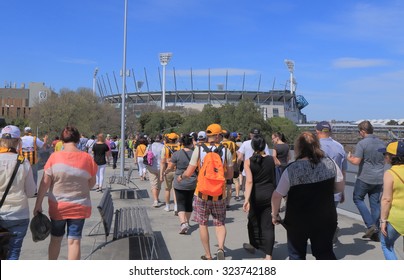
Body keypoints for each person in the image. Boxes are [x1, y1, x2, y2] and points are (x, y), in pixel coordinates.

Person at [271, 131, 344, 260]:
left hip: (298, 221)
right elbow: (339, 188)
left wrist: (275, 214)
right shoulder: (330, 163)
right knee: (325, 253)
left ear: (298, 147)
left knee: (297, 255)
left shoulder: (292, 169)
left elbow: (277, 195)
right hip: (325, 218)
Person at [33, 126, 97, 260]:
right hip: (80, 206)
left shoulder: (54, 157)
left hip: (58, 207)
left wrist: (38, 204)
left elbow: (45, 183)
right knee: (74, 241)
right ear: (78, 139)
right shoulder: (87, 158)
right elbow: (91, 183)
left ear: (62, 139)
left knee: (56, 239)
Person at [179, 123, 233, 260]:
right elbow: (230, 175)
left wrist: (181, 176)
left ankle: (208, 255)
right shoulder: (226, 151)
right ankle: (221, 247)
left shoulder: (198, 150)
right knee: (220, 223)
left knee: (203, 224)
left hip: (202, 192)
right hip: (219, 194)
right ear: (218, 135)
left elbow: (190, 171)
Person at [0, 125, 36, 260]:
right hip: (18, 214)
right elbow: (31, 192)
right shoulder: (23, 162)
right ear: (18, 142)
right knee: (14, 252)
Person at [347, 120, 385, 241]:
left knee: (357, 199)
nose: (359, 134)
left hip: (365, 177)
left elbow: (356, 161)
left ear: (363, 131)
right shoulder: (382, 143)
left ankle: (370, 225)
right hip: (379, 178)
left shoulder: (362, 143)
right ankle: (376, 233)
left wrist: (349, 158)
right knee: (375, 204)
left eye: (359, 132)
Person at [242, 134, 276, 260]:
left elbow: (249, 182)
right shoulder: (272, 159)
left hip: (256, 195)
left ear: (252, 146)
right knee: (268, 225)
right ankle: (268, 255)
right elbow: (279, 164)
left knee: (253, 221)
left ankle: (255, 245)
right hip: (270, 195)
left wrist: (246, 200)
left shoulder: (248, 161)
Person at [315, 121, 347, 243]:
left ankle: (325, 237)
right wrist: (342, 190)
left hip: (318, 189)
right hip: (335, 188)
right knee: (331, 213)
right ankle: (331, 231)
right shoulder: (339, 146)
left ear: (317, 132)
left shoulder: (314, 147)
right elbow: (343, 171)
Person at [165, 133, 197, 234]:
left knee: (180, 202)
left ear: (182, 143)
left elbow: (170, 167)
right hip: (192, 181)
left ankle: (183, 223)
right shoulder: (195, 154)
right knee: (188, 202)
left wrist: (165, 172)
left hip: (180, 181)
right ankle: (186, 222)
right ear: (191, 143)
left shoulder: (177, 154)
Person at [378, 140, 404, 260]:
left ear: (393, 157)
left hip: (397, 219)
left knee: (386, 244)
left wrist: (383, 221)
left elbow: (386, 199)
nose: (385, 157)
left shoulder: (390, 173)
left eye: (386, 154)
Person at [237, 128, 278, 199]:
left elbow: (240, 157)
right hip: (260, 168)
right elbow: (267, 156)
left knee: (245, 187)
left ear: (250, 135)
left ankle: (248, 200)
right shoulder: (264, 144)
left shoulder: (245, 143)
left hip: (248, 168)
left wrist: (238, 166)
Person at [160, 133, 181, 213]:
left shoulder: (165, 148)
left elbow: (162, 162)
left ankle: (167, 206)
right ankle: (176, 206)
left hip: (168, 170)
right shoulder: (180, 147)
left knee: (167, 189)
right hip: (177, 170)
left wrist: (161, 174)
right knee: (175, 189)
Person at [146, 134, 164, 207]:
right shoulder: (163, 147)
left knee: (153, 184)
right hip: (161, 168)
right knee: (159, 183)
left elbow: (145, 155)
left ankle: (155, 200)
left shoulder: (150, 146)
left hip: (151, 167)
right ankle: (157, 197)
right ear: (161, 139)